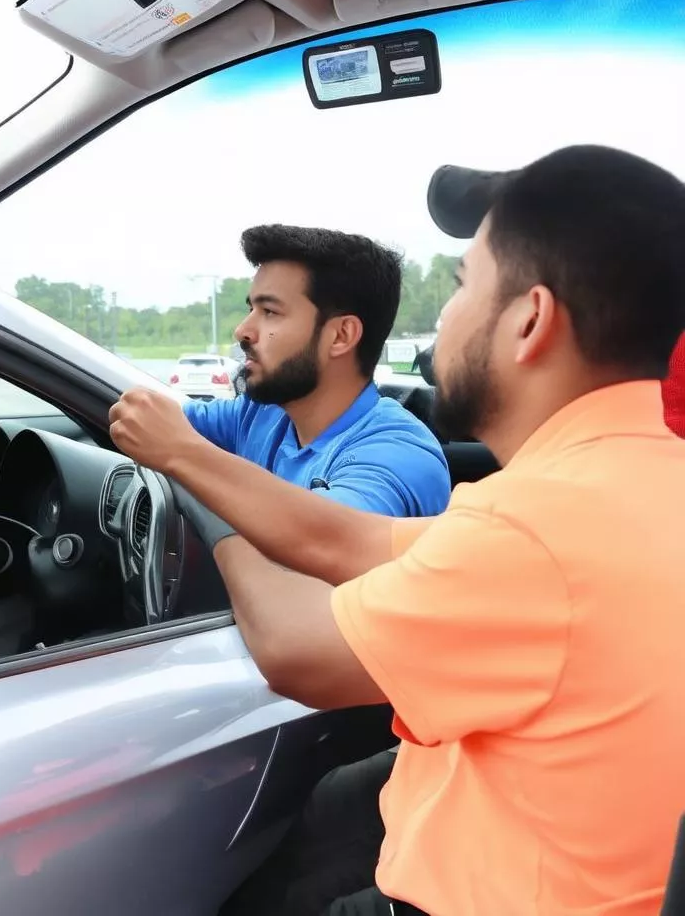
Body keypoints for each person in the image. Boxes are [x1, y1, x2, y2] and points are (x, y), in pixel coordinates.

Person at [109, 144, 685, 915]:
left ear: (530, 321)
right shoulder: (628, 479)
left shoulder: (537, 527)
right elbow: (348, 543)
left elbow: (294, 650)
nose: (442, 317)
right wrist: (188, 453)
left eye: (460, 285)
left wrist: (195, 481)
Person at [184, 224, 449, 519]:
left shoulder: (398, 454)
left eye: (270, 312)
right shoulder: (260, 415)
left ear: (341, 336)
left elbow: (322, 540)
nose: (242, 331)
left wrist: (182, 454)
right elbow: (161, 419)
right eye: (251, 310)